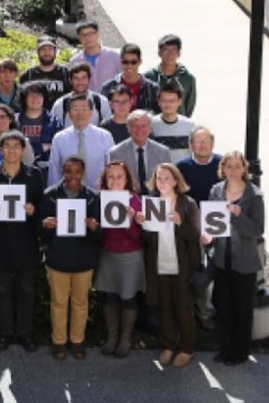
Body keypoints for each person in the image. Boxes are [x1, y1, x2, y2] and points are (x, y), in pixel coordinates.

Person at [0, 131, 44, 352]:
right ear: (0, 150)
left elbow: (42, 208)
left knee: (26, 290)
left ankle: (25, 334)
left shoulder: (34, 175)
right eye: (6, 146)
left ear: (23, 149)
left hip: (25, 241)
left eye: (16, 146)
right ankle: (5, 333)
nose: (11, 150)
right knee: (2, 290)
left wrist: (33, 210)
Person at [138, 163, 201, 367]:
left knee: (183, 308)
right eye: (159, 178)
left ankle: (187, 348)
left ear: (176, 180)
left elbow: (195, 236)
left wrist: (181, 223)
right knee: (164, 307)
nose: (162, 182)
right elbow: (147, 240)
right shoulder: (152, 203)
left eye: (166, 178)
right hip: (159, 264)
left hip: (181, 266)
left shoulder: (187, 203)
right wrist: (142, 224)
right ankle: (168, 346)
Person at [206, 151, 264, 366]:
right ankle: (225, 347)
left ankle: (240, 351)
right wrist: (207, 237)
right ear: (223, 168)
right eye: (228, 166)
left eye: (236, 166)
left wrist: (239, 216)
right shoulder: (216, 191)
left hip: (245, 260)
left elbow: (257, 230)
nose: (232, 170)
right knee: (223, 305)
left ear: (244, 168)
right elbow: (212, 223)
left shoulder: (254, 195)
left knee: (242, 307)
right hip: (222, 257)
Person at [40, 156, 101, 360]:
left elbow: (99, 235)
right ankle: (58, 341)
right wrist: (46, 225)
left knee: (80, 303)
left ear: (83, 173)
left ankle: (77, 341)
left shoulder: (92, 197)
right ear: (62, 172)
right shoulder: (50, 195)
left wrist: (94, 228)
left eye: (77, 171)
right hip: (58, 258)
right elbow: (41, 232)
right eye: (68, 171)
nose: (72, 176)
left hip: (83, 259)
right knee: (58, 302)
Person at [93, 161, 144, 357]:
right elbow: (98, 234)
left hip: (130, 256)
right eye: (111, 177)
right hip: (108, 254)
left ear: (127, 179)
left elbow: (139, 238)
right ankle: (112, 336)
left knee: (128, 298)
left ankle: (126, 338)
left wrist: (130, 221)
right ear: (105, 180)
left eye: (119, 176)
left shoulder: (135, 201)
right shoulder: (100, 199)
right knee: (109, 296)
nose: (115, 180)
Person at [176, 126, 221, 331]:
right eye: (198, 141)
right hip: (189, 225)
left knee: (215, 270)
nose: (202, 145)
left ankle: (211, 310)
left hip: (218, 224)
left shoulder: (223, 164)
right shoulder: (182, 167)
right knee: (193, 270)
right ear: (190, 145)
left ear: (212, 143)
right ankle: (198, 312)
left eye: (206, 141)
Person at [47, 93, 115, 190]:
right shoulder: (59, 138)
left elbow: (111, 168)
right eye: (75, 110)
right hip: (68, 196)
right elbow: (54, 171)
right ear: (69, 114)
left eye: (84, 109)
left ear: (91, 112)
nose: (80, 113)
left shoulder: (105, 136)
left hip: (98, 194)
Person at [108, 110, 172, 195]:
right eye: (135, 126)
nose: (139, 130)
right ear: (128, 128)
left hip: (156, 201)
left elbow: (168, 182)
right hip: (128, 201)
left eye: (144, 126)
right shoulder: (116, 152)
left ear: (150, 128)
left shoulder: (163, 152)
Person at [144, 34, 197, 117]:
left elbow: (189, 107)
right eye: (166, 50)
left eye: (173, 50)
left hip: (178, 126)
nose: (170, 54)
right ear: (159, 53)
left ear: (179, 54)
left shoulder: (188, 78)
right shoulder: (148, 77)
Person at [16, 81, 62, 176]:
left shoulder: (54, 122)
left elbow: (58, 146)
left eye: (39, 95)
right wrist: (41, 147)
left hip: (46, 169)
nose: (35, 99)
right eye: (31, 95)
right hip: (18, 167)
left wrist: (29, 148)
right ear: (24, 98)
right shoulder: (14, 120)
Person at [100, 43, 161, 113]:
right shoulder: (108, 87)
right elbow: (103, 113)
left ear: (140, 62)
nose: (129, 66)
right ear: (121, 62)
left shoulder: (152, 89)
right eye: (125, 62)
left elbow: (158, 114)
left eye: (133, 62)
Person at [50, 62, 111, 127]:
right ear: (70, 80)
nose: (80, 82)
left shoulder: (101, 102)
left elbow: (108, 127)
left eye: (83, 78)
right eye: (76, 78)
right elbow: (53, 129)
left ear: (89, 79)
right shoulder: (60, 104)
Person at [18, 35, 71, 109]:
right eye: (43, 49)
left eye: (50, 49)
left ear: (55, 51)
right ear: (38, 52)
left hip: (60, 117)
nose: (47, 52)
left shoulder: (66, 73)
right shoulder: (28, 75)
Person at [69, 19, 121, 91]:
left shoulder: (114, 56)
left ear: (97, 34)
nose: (87, 38)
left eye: (90, 34)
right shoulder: (75, 61)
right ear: (79, 38)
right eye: (83, 35)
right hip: (86, 101)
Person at [151, 81, 194, 162]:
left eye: (172, 101)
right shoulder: (151, 124)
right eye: (164, 101)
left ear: (179, 102)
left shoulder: (190, 125)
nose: (168, 105)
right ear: (159, 102)